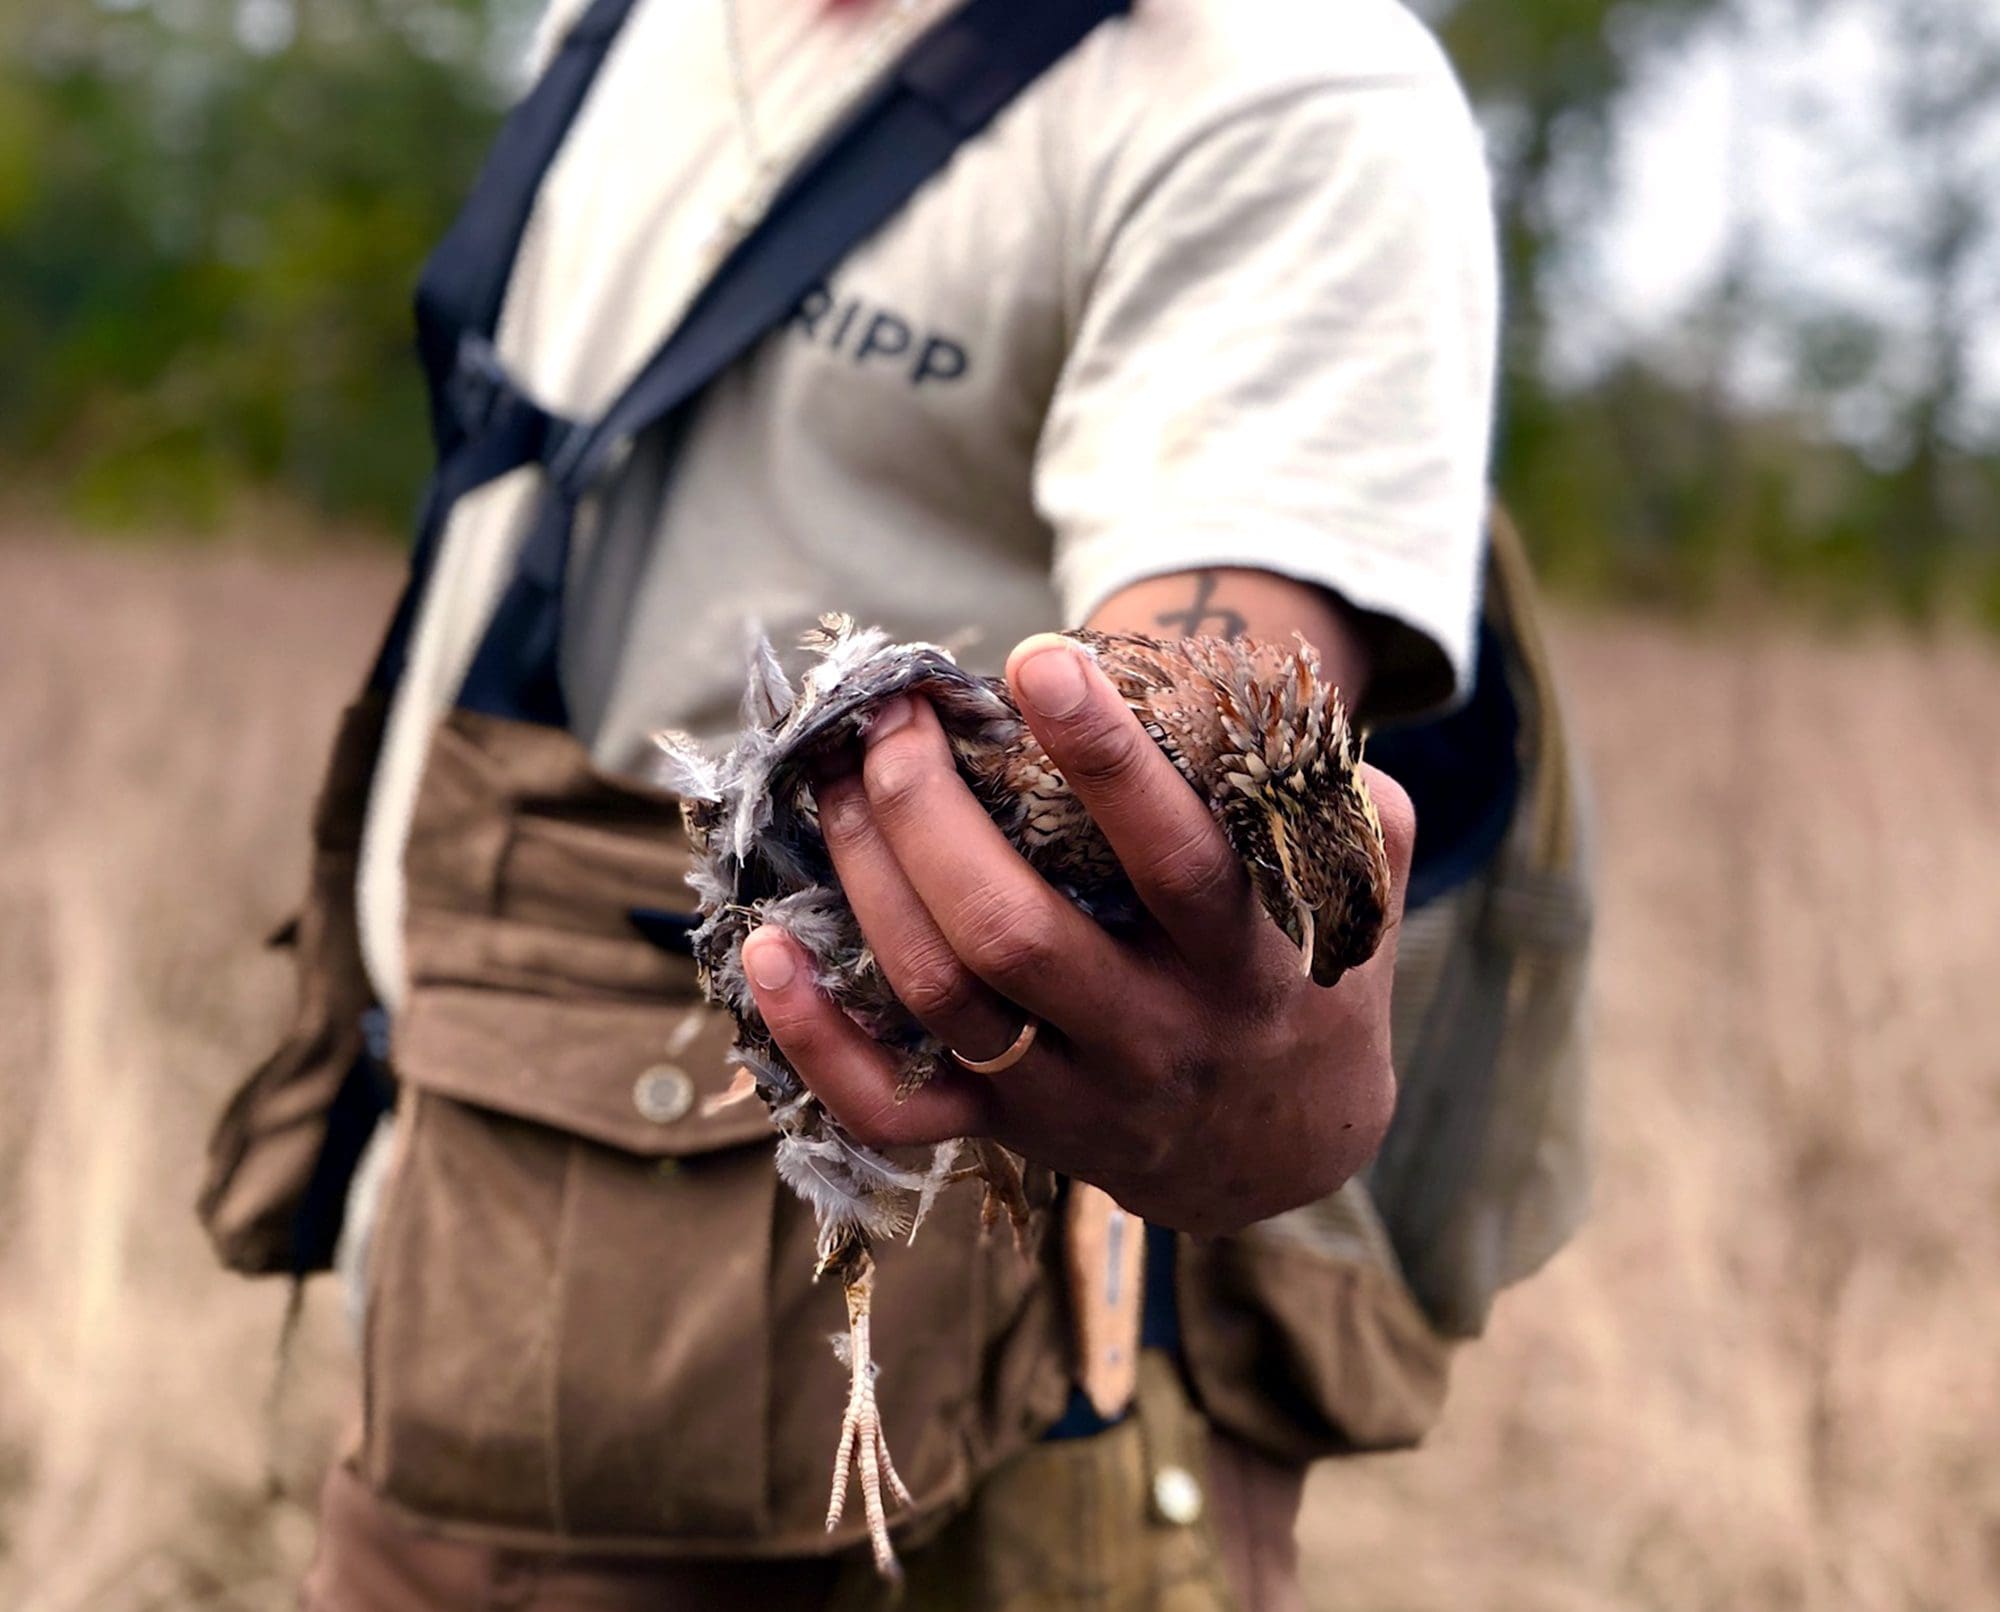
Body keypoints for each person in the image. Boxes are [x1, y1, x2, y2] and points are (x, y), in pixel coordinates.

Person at [215, 0, 1509, 1605]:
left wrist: (1174, 792)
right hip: (481, 1278)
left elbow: (1222, 633)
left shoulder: (1280, 82)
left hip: (893, 1423)